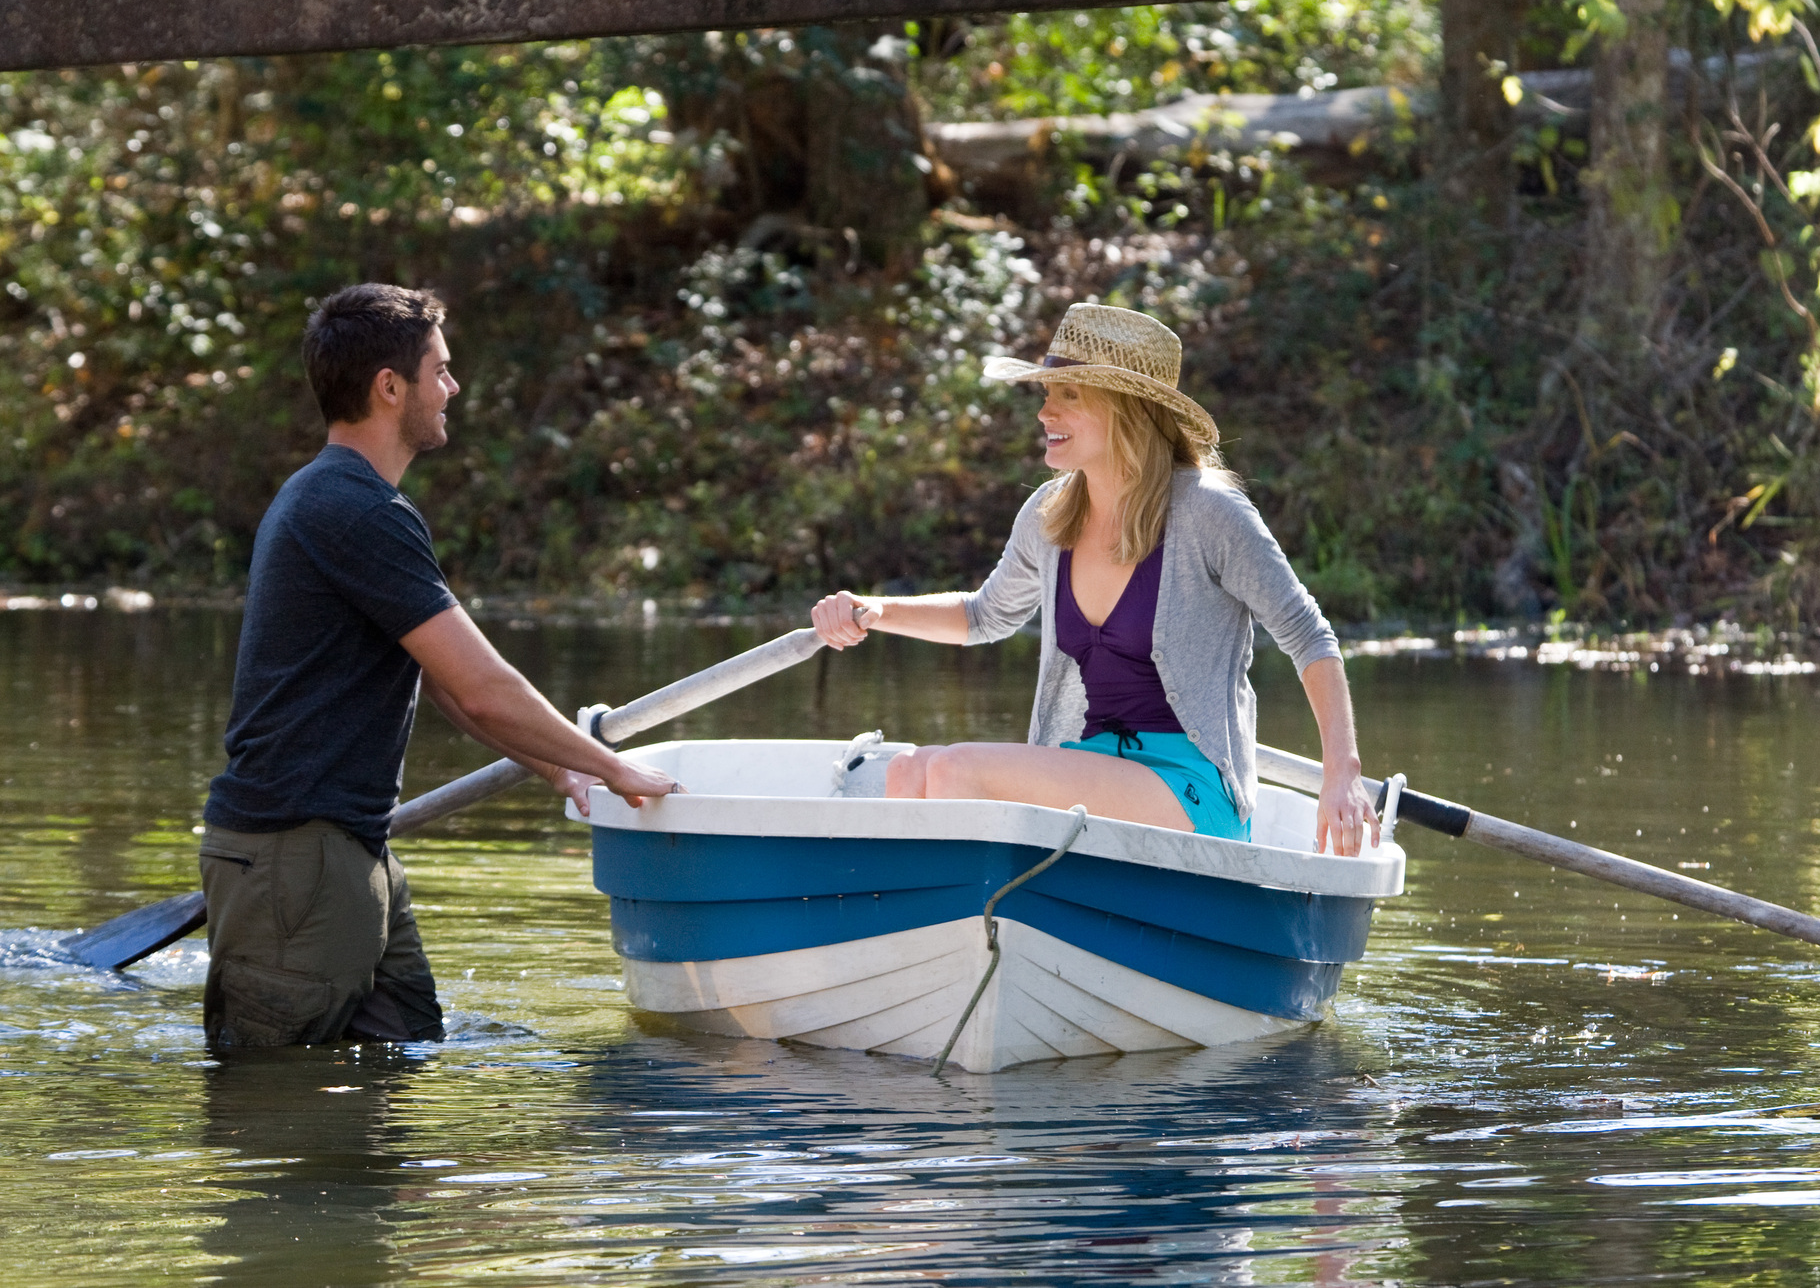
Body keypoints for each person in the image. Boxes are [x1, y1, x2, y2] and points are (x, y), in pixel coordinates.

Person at [199, 283, 678, 1048]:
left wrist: (558, 770)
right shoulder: (354, 509)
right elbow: (488, 690)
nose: (452, 388)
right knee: (281, 1112)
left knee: (407, 1056)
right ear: (390, 387)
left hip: (348, 855)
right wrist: (613, 767)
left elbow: (449, 683)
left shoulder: (340, 499)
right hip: (298, 860)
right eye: (441, 371)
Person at [812, 302, 1379, 856]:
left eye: (1069, 394)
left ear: (1125, 409)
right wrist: (877, 611)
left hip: (1189, 787)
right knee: (912, 770)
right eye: (1046, 393)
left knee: (955, 768)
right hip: (1093, 764)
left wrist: (1342, 775)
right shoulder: (1051, 513)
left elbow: (1309, 636)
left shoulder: (1211, 512)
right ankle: (942, 941)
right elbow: (985, 616)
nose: (1044, 413)